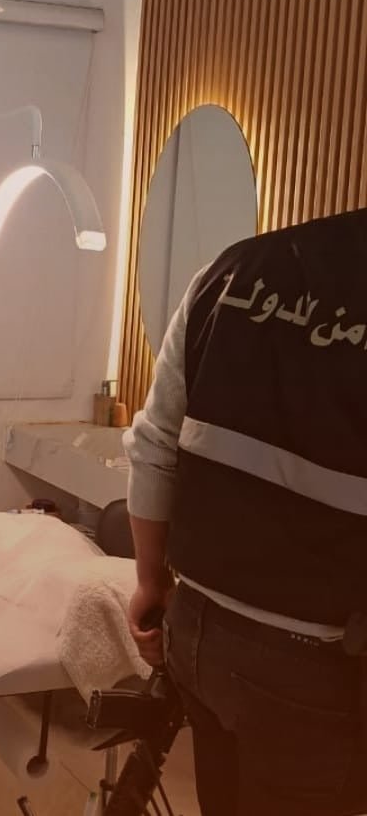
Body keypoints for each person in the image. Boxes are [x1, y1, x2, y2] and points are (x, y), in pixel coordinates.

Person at [124, 208, 367, 816]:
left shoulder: (229, 272)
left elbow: (154, 446)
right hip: (316, 668)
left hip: (196, 635)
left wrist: (150, 580)